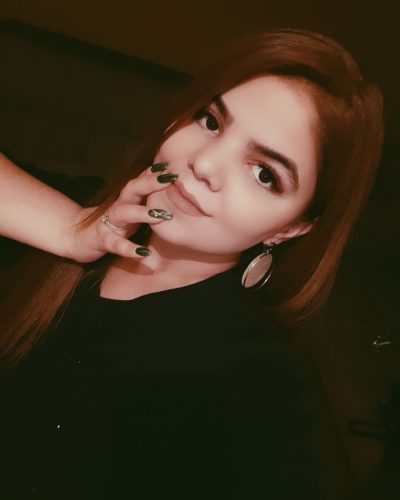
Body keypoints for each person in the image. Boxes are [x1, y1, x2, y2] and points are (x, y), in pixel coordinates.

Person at [0, 28, 383, 499]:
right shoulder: (79, 210)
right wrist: (68, 229)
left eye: (264, 174)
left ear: (292, 228)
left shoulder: (248, 379)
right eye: (210, 120)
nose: (204, 164)